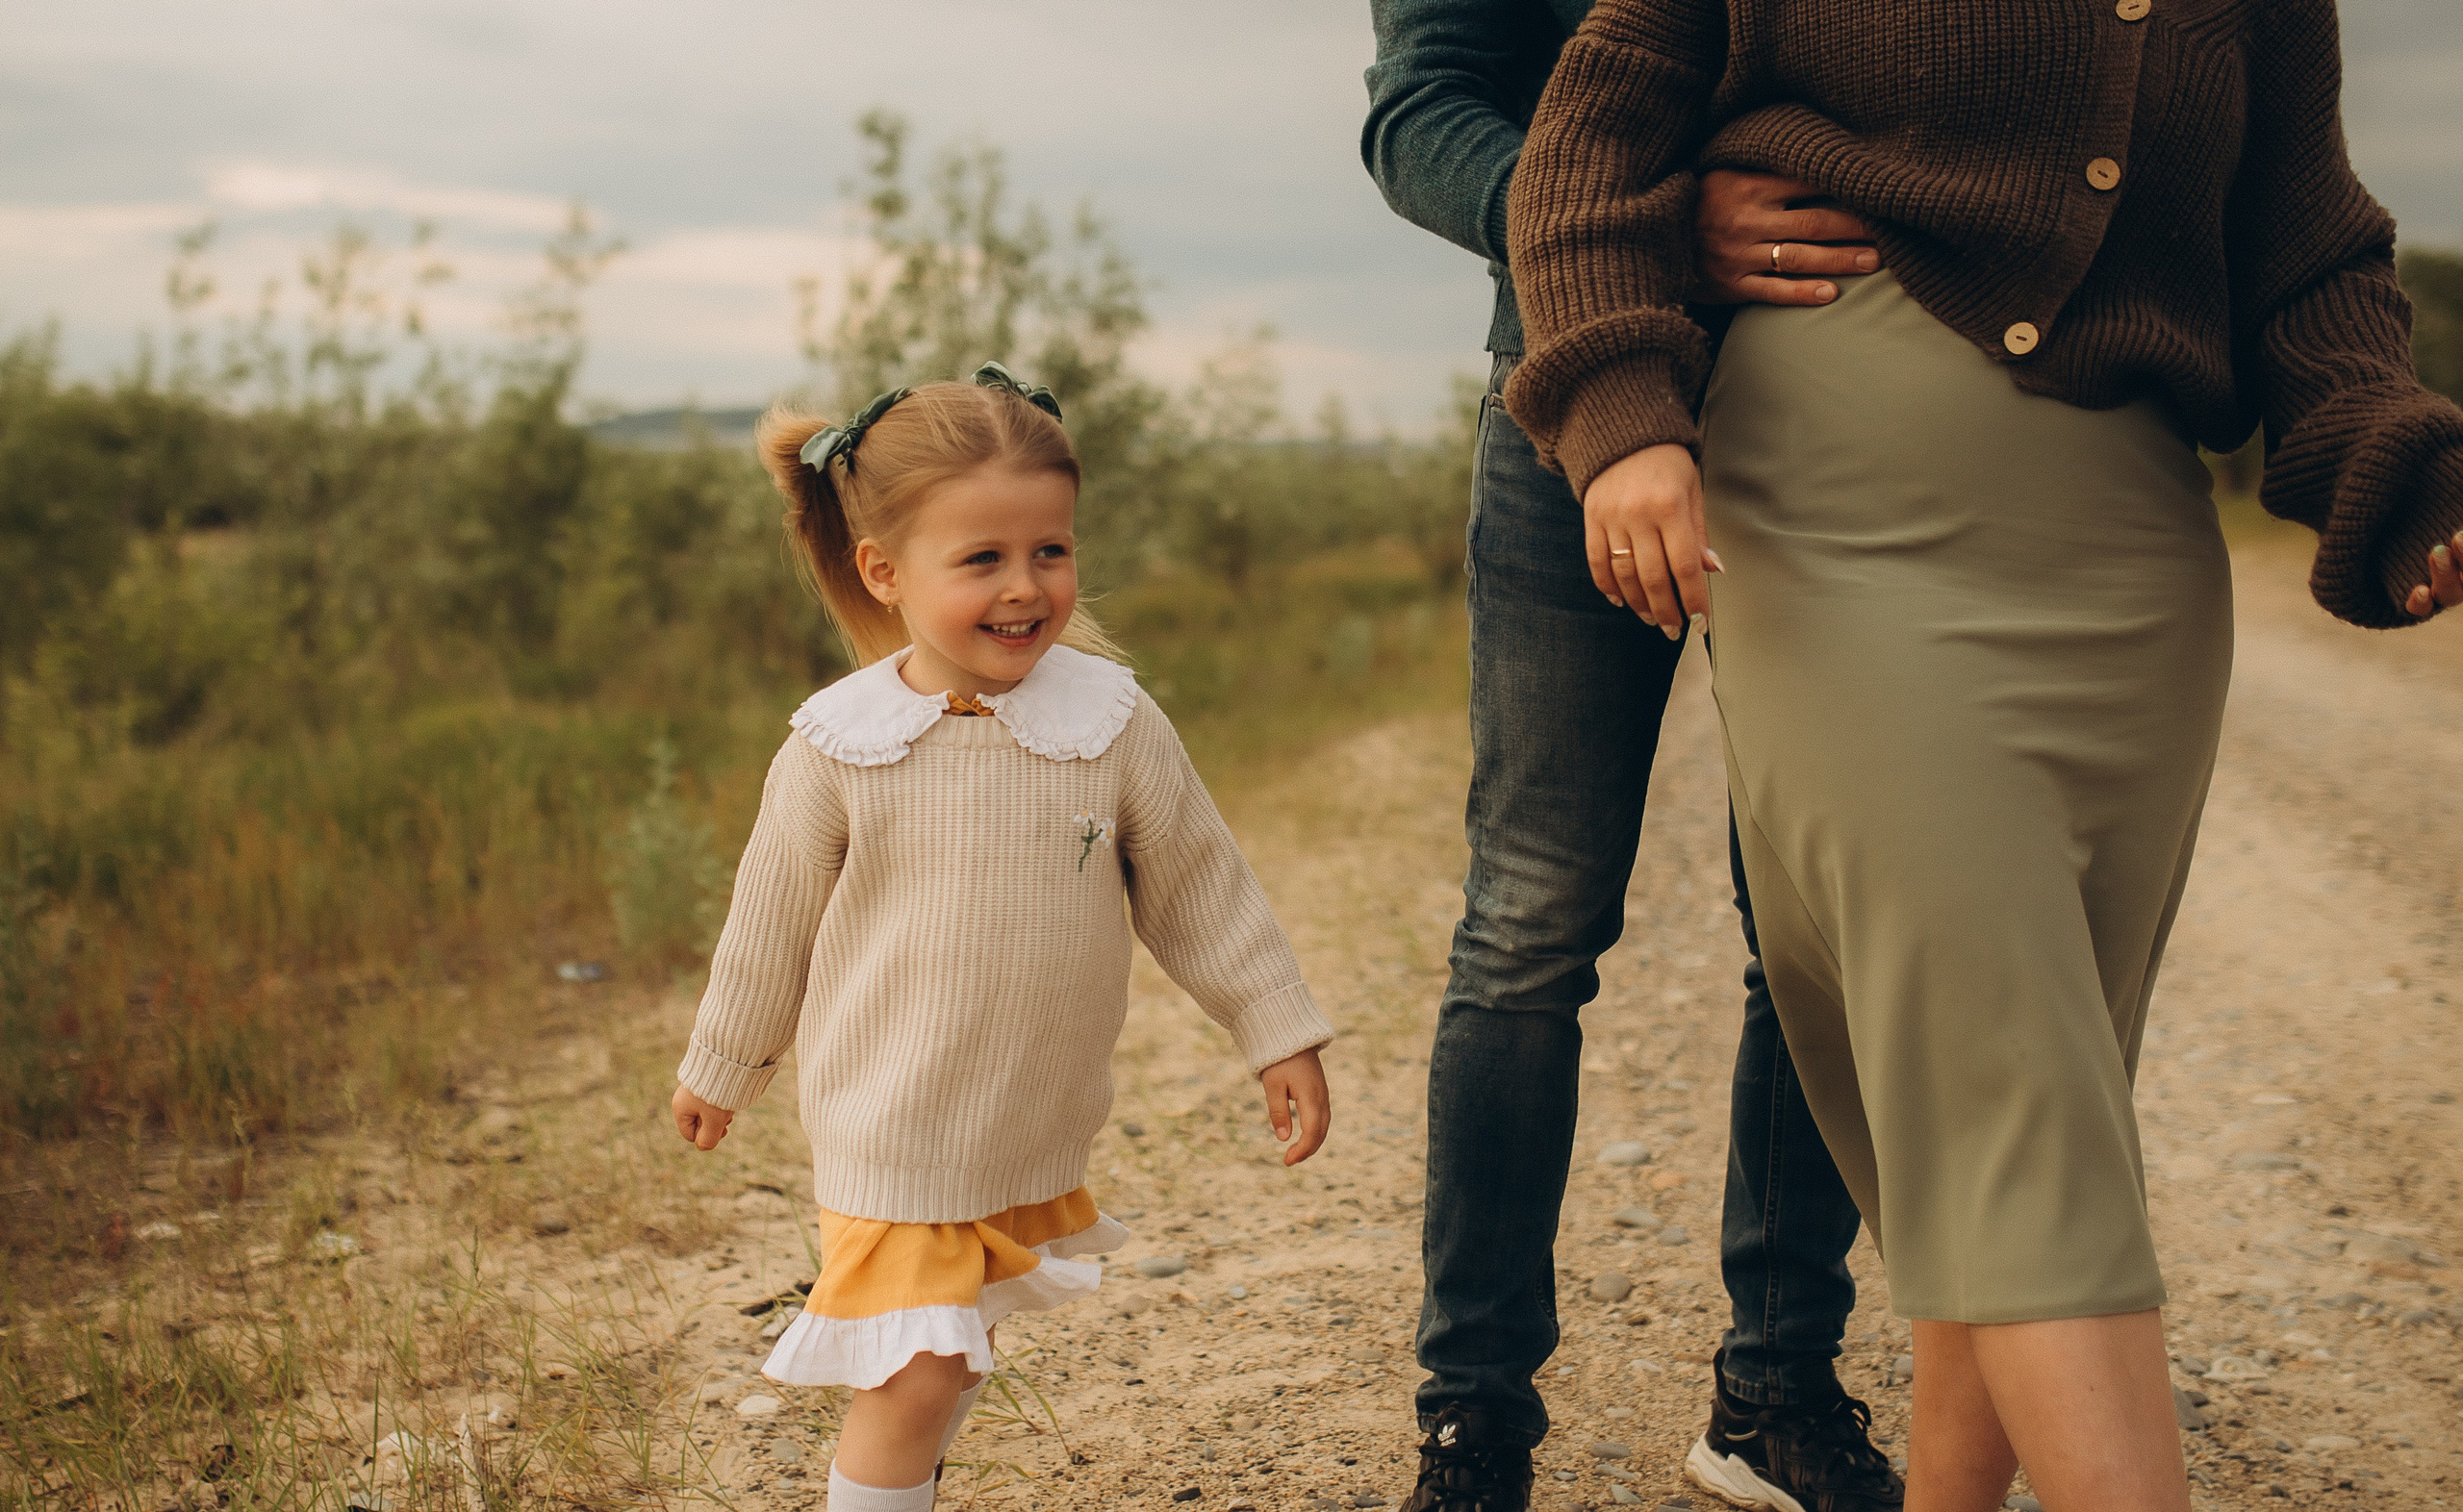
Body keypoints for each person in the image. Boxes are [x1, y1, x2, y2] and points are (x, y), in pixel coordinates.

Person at [1502, 1, 2463, 1508]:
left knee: (2015, 1100)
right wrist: (1623, 414)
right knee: (2013, 1088)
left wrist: (2407, 472)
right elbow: (1583, 153)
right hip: (1841, 521)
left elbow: (2310, 255)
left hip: (2132, 560)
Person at [1362, 7, 1905, 1511]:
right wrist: (1656, 223)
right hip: (1566, 402)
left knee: (1813, 920)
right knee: (1529, 923)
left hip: (1841, 413)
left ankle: (1777, 1393)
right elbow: (1419, 117)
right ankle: (1472, 1422)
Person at [668, 364, 1337, 1512]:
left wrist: (1276, 1030)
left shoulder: (1110, 721)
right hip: (894, 1116)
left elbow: (1199, 889)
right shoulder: (840, 746)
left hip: (1023, 1113)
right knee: (919, 1372)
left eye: (1051, 552)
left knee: (949, 1352)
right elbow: (766, 924)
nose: (1024, 588)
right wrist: (723, 1063)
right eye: (981, 560)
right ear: (884, 571)